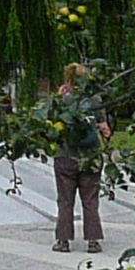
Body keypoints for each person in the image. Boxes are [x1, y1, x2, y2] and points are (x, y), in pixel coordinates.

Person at [46, 63, 106, 256]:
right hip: (91, 157)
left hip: (66, 156)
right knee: (90, 200)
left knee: (65, 200)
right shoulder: (95, 101)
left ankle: (63, 240)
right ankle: (93, 241)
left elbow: (50, 127)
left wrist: (57, 97)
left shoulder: (62, 101)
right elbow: (105, 130)